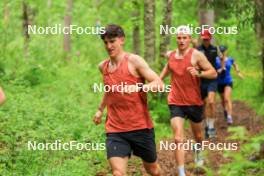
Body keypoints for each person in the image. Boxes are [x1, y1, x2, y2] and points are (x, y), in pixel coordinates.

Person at [93, 24, 164, 176]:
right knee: (118, 172)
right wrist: (100, 109)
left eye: (112, 41)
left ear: (122, 40)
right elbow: (108, 90)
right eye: (105, 42)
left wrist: (138, 88)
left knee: (153, 170)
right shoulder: (103, 67)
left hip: (140, 127)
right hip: (115, 129)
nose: (109, 46)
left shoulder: (134, 61)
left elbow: (159, 84)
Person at [160, 26, 217, 176]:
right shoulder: (171, 55)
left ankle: (199, 155)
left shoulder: (197, 55)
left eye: (184, 37)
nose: (181, 40)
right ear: (176, 39)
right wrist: (155, 82)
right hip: (175, 101)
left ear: (190, 39)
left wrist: (199, 73)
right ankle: (181, 172)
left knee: (198, 136)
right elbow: (166, 71)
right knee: (178, 138)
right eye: (179, 37)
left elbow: (213, 73)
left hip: (193, 102)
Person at [197, 29, 220, 138]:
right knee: (204, 104)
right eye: (203, 39)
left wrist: (221, 68)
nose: (205, 41)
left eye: (207, 39)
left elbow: (222, 58)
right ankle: (207, 126)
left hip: (212, 79)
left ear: (210, 38)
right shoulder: (197, 50)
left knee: (211, 102)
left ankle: (211, 127)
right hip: (201, 79)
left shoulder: (214, 49)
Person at [216, 45, 243, 124]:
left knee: (227, 98)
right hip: (219, 82)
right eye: (221, 51)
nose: (222, 52)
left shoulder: (230, 59)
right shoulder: (216, 60)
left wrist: (238, 72)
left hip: (228, 81)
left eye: (223, 51)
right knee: (223, 100)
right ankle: (225, 109)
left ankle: (229, 116)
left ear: (226, 51)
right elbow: (213, 70)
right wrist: (219, 70)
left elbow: (235, 64)